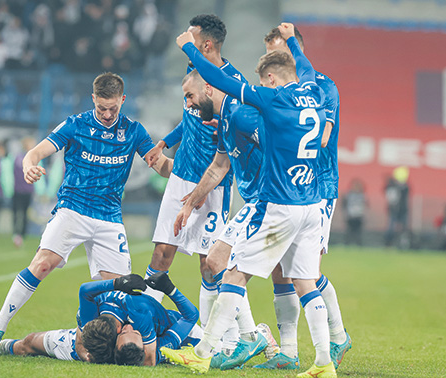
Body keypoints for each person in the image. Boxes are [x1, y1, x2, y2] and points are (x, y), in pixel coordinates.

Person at [162, 23, 336, 378]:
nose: (263, 86)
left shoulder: (272, 99)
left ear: (272, 78)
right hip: (310, 204)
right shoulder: (313, 92)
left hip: (278, 204)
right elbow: (302, 64)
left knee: (235, 272)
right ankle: (323, 362)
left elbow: (223, 82)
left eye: (265, 80)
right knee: (305, 282)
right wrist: (291, 40)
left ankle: (204, 351)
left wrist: (189, 50)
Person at [0, 72, 172, 357]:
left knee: (117, 294)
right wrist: (29, 165)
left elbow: (162, 166)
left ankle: (102, 349)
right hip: (73, 209)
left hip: (109, 217)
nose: (106, 114)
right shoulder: (75, 125)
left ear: (122, 100)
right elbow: (36, 152)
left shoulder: (134, 131)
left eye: (112, 108)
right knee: (42, 264)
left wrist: (190, 173)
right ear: (93, 99)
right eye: (101, 107)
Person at [255, 26, 351, 371]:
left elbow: (322, 136)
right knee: (281, 269)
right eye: (268, 52)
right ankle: (289, 350)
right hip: (288, 190)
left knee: (305, 272)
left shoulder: (322, 87)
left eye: (278, 50)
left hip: (317, 186)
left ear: (296, 52)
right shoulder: (279, 90)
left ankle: (338, 336)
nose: (270, 58)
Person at [143, 14, 246, 335]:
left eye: (191, 36)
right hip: (181, 177)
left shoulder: (233, 84)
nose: (184, 39)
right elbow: (188, 117)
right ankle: (142, 321)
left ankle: (221, 335)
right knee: (161, 253)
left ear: (206, 44)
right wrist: (165, 142)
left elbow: (230, 143)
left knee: (209, 264)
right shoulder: (194, 74)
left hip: (214, 184)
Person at [172, 69, 280, 369]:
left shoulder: (243, 115)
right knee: (220, 264)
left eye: (191, 96)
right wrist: (189, 204)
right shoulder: (226, 120)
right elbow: (218, 167)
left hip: (267, 200)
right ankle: (257, 340)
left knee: (218, 261)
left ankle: (236, 341)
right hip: (259, 200)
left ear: (208, 87)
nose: (190, 104)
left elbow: (276, 149)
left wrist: (279, 191)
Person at [0, 273, 201, 366]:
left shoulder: (139, 320)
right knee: (31, 341)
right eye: (131, 331)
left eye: (129, 333)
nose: (130, 329)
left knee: (206, 344)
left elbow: (147, 360)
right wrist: (116, 283)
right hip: (99, 342)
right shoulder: (95, 321)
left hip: (164, 330)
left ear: (118, 335)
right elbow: (84, 291)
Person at [11, 137, 44, 248]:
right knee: (17, 212)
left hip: (28, 190)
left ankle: (22, 235)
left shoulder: (34, 159)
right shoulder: (18, 158)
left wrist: (39, 190)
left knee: (24, 213)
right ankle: (16, 233)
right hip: (17, 190)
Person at [384, 166, 410, 247]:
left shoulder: (405, 187)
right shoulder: (391, 186)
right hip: (394, 210)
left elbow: (405, 192)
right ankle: (388, 243)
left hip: (403, 210)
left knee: (404, 229)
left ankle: (404, 244)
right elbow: (390, 197)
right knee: (391, 228)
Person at [342, 179, 367, 245]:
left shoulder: (362, 195)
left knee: (358, 232)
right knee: (349, 231)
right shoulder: (348, 195)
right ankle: (347, 244)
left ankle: (359, 244)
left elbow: (366, 204)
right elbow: (344, 204)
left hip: (359, 216)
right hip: (351, 216)